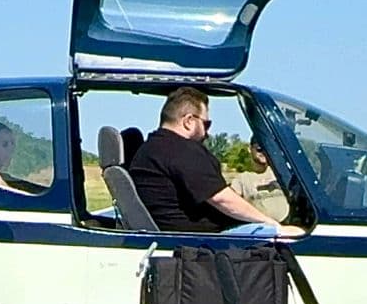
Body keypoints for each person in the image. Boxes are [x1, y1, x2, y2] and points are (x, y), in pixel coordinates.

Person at [126, 88, 305, 237]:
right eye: (206, 124)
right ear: (189, 121)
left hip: (188, 239)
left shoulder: (153, 148)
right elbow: (222, 199)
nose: (207, 133)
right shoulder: (181, 150)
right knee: (296, 235)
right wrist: (273, 226)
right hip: (203, 243)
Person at [228, 140, 291, 224]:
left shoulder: (281, 174)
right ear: (250, 149)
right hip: (261, 230)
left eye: (267, 149)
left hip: (289, 226)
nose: (263, 152)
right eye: (259, 149)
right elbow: (231, 203)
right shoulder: (242, 179)